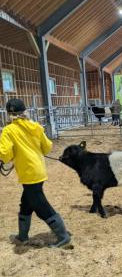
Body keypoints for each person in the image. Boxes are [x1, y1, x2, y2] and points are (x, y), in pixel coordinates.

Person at [0, 99, 71, 247]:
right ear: (24, 111)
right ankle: (22, 236)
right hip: (39, 170)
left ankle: (63, 236)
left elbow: (5, 154)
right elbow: (47, 148)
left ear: (9, 114)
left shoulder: (8, 130)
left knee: (41, 207)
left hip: (28, 173)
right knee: (26, 203)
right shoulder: (36, 126)